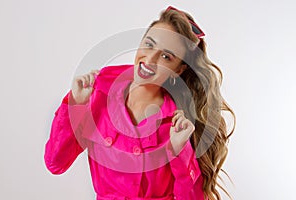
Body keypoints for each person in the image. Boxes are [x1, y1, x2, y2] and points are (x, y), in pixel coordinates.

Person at [44, 6, 236, 200]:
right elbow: (56, 163)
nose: (150, 59)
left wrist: (180, 151)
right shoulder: (98, 93)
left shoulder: (179, 123)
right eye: (149, 44)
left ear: (178, 70)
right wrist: (75, 104)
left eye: (166, 56)